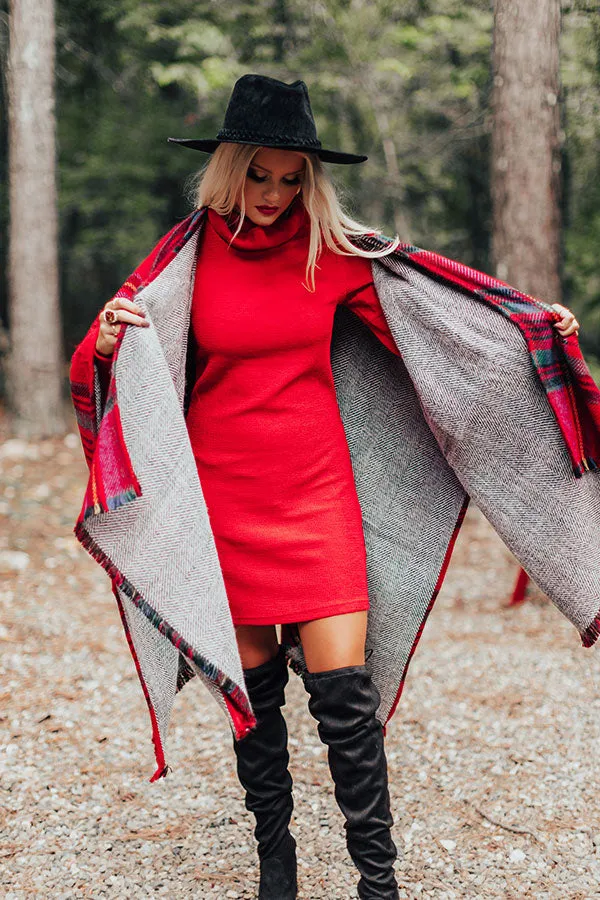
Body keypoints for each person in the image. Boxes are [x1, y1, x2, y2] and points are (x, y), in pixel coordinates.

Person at [82, 75, 581, 900]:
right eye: (260, 175)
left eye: (292, 179)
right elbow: (119, 341)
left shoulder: (335, 253)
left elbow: (442, 323)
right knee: (258, 706)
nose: (276, 194)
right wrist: (105, 340)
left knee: (346, 701)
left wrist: (530, 328)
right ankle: (277, 870)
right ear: (229, 169)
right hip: (225, 501)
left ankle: (376, 884)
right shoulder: (187, 256)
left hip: (316, 497)